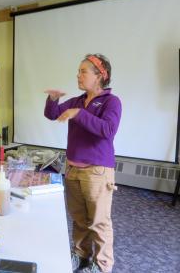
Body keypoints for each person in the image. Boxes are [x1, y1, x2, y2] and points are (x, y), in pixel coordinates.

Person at [44, 54, 122, 273]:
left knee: (99, 222)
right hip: (73, 169)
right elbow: (52, 115)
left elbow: (107, 130)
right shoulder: (78, 100)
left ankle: (103, 266)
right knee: (79, 219)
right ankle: (82, 255)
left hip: (97, 172)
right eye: (78, 71)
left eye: (83, 71)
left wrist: (79, 114)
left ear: (100, 76)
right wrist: (53, 99)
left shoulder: (111, 101)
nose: (78, 75)